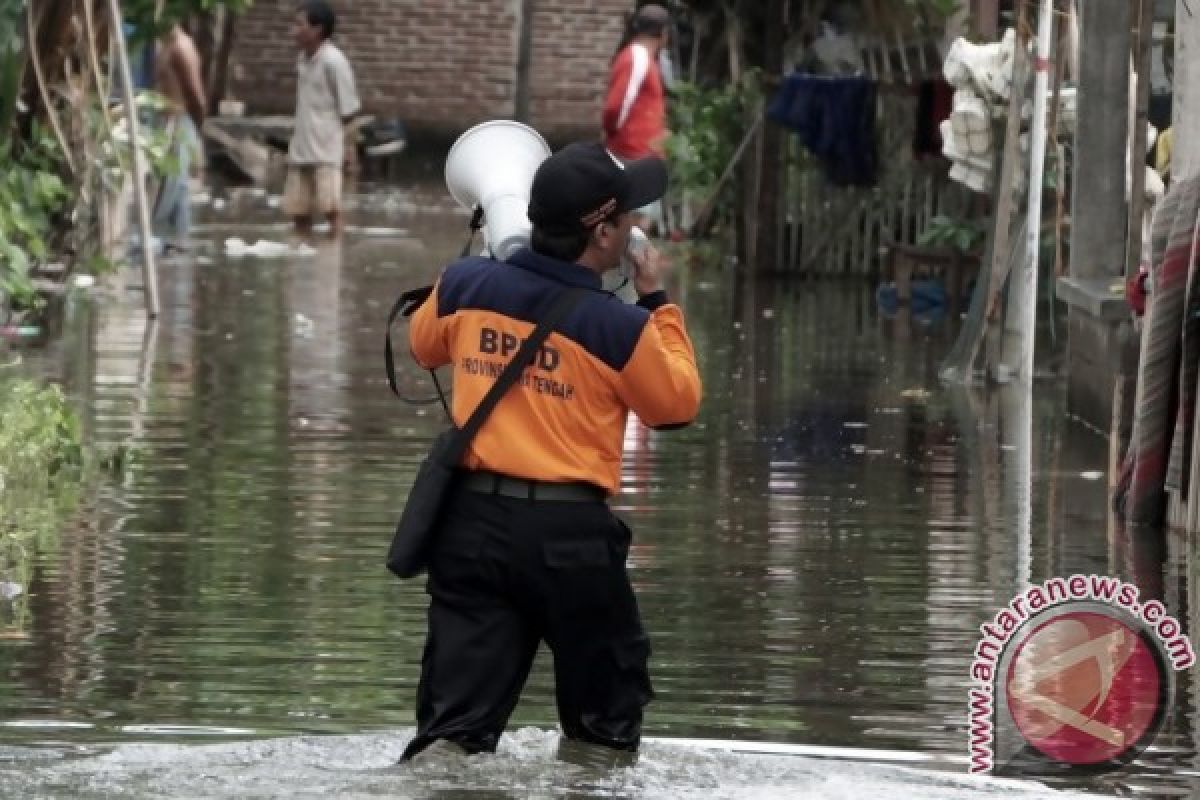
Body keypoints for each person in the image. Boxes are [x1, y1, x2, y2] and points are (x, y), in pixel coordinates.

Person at [401, 142, 702, 763]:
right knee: (604, 727)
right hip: (571, 542)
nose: (634, 229)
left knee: (452, 733)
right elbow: (677, 405)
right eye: (626, 219)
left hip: (472, 530)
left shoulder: (464, 285)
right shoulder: (620, 329)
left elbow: (423, 345)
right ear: (601, 232)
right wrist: (659, 303)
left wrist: (489, 267)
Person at [285, 1, 361, 237]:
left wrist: (351, 150)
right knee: (298, 211)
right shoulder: (303, 59)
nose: (293, 31)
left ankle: (331, 261)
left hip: (326, 149)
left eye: (300, 25)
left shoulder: (333, 62)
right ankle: (302, 257)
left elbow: (349, 110)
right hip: (301, 147)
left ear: (317, 30)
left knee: (331, 210)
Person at [603, 4, 672, 231]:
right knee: (635, 228)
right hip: (634, 155)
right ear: (662, 33)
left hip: (641, 154)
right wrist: (616, 138)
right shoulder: (637, 58)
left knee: (637, 228)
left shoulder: (640, 57)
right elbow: (615, 108)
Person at [152, 24, 206, 253]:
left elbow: (195, 95)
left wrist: (195, 133)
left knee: (171, 193)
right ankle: (176, 258)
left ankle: (174, 252)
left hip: (177, 125)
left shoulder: (180, 47)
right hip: (169, 125)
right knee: (176, 194)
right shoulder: (163, 43)